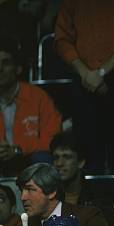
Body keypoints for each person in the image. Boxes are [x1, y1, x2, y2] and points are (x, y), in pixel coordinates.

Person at [54, 0, 114, 174]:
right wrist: (86, 73)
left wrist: (101, 72)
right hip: (83, 78)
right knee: (87, 154)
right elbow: (62, 38)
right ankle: (89, 201)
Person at [14, 163, 114, 226]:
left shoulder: (88, 218)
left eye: (30, 189)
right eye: (21, 191)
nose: (23, 197)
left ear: (52, 192)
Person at [0, 36, 62, 176]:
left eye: (5, 63)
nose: (0, 68)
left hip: (29, 159)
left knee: (43, 159)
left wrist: (19, 150)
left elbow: (54, 139)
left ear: (18, 69)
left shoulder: (37, 97)